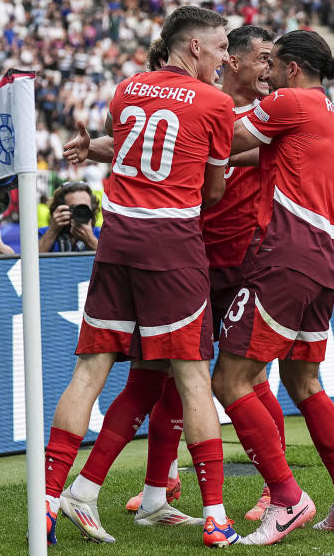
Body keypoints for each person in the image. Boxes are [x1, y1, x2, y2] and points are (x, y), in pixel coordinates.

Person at [62, 26, 285, 527]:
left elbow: (147, 140)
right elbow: (162, 150)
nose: (266, 70)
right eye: (259, 59)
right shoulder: (216, 103)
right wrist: (97, 146)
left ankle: (270, 490)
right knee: (174, 380)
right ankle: (165, 492)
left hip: (234, 258)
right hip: (185, 253)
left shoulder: (274, 110)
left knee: (238, 378)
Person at [43, 5, 240, 548]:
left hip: (116, 238)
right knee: (194, 377)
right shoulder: (217, 102)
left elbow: (133, 146)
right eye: (221, 47)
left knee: (90, 370)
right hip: (171, 246)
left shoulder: (128, 89)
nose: (225, 58)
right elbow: (214, 191)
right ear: (194, 46)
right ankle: (219, 514)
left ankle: (52, 496)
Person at [212, 30, 334, 545]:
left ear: (294, 68)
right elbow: (248, 158)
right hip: (325, 256)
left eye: (273, 65)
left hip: (286, 254)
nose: (265, 73)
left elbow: (222, 141)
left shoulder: (290, 102)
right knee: (305, 383)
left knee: (230, 381)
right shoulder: (331, 117)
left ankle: (285, 496)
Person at [38, 182, 101, 252]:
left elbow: (112, 261)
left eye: (85, 208)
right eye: (74, 208)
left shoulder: (101, 234)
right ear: (61, 210)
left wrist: (91, 241)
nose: (80, 212)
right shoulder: (43, 234)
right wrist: (53, 231)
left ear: (92, 210)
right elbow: (29, 261)